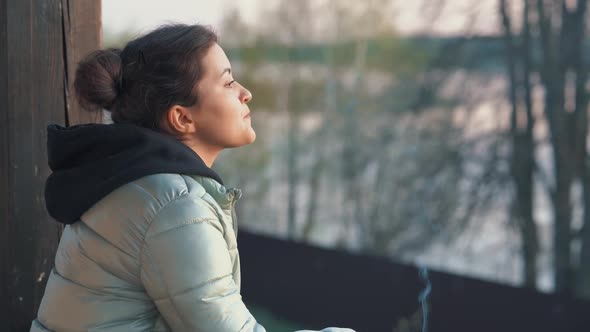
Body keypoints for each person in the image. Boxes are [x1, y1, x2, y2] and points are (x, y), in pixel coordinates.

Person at [29, 23, 354, 332]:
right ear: (182, 118)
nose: (246, 93)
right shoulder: (173, 208)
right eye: (228, 83)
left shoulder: (144, 187)